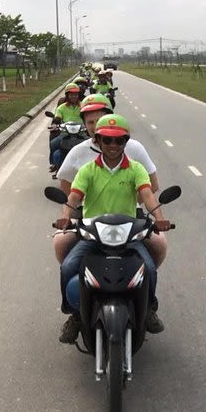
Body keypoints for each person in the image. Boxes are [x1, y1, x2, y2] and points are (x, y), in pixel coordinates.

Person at [55, 114, 171, 343]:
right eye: (107, 140)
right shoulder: (88, 170)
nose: (113, 146)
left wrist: (159, 217)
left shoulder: (135, 169)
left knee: (148, 268)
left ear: (125, 142)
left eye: (119, 141)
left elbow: (147, 195)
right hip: (92, 233)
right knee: (68, 266)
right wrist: (65, 217)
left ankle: (148, 309)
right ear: (97, 141)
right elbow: (74, 198)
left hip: (128, 233)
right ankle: (75, 314)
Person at [53, 94, 167, 270]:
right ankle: (70, 297)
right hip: (90, 222)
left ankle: (148, 297)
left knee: (156, 253)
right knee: (64, 255)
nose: (112, 144)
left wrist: (128, 202)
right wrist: (70, 214)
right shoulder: (82, 160)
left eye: (118, 140)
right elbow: (70, 191)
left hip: (129, 220)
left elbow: (149, 190)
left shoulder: (134, 158)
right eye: (90, 122)